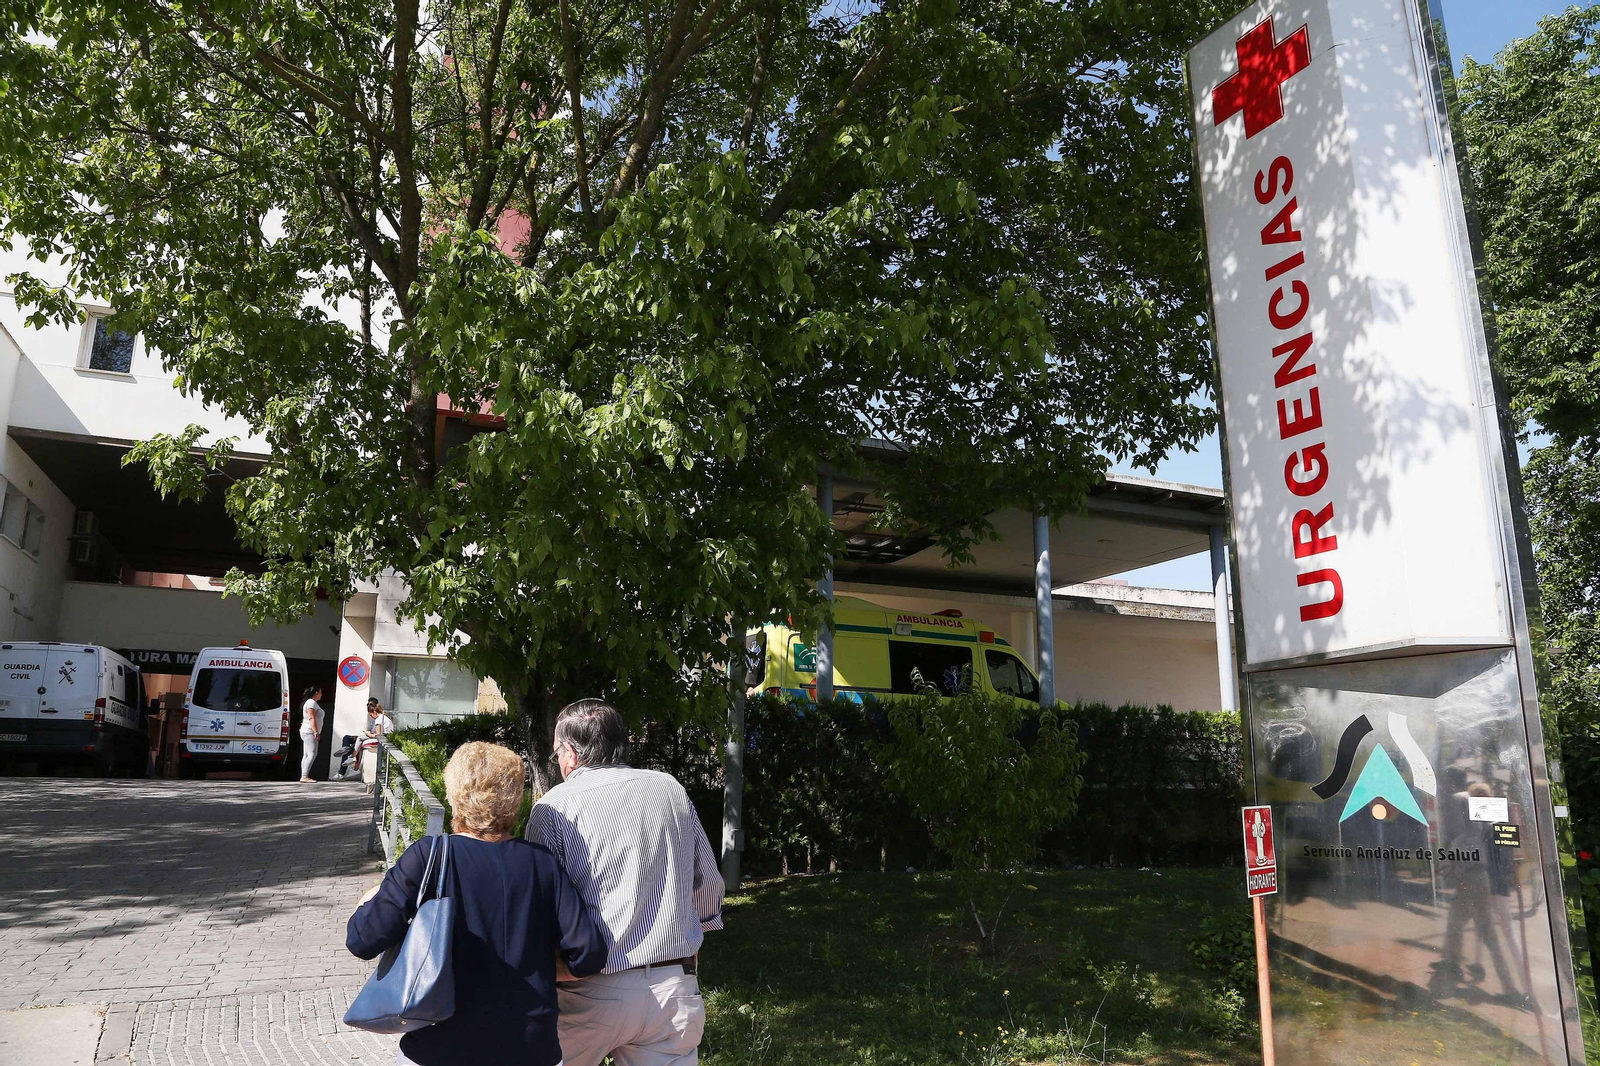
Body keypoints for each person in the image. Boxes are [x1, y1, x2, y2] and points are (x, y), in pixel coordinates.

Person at [348, 742, 606, 1066]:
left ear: (454, 790)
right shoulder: (542, 863)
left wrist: (367, 901)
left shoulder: (430, 855)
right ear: (516, 796)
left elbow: (363, 940)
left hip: (440, 1047)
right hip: (529, 1047)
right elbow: (589, 954)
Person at [526, 698, 725, 1066]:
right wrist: (694, 937)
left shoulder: (553, 808)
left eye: (556, 754)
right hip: (673, 986)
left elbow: (538, 911)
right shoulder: (670, 789)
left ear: (569, 751)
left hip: (587, 990)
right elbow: (708, 882)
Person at [299, 684, 324, 783]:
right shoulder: (311, 703)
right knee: (312, 754)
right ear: (316, 693)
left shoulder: (312, 703)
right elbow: (311, 718)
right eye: (321, 693)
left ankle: (304, 775)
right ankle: (304, 776)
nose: (321, 695)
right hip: (309, 731)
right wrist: (316, 732)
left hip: (307, 731)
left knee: (306, 754)